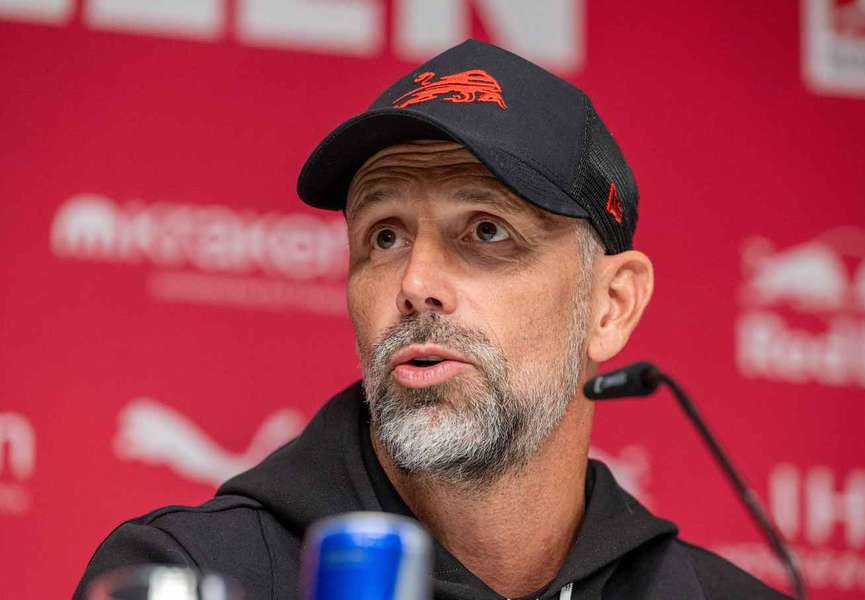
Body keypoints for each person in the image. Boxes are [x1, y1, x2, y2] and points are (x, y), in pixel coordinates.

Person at [75, 40, 789, 599]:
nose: (416, 284)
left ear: (610, 306)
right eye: (383, 236)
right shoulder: (196, 577)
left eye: (485, 231)